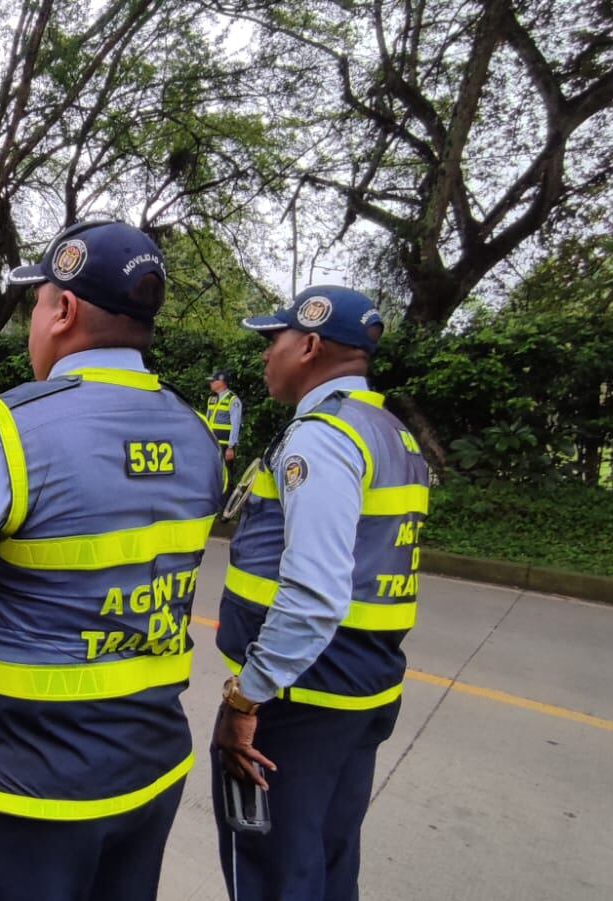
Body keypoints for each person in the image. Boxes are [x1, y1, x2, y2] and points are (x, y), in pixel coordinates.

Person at [0, 221, 224, 901]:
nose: (30, 325)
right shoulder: (197, 434)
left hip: (26, 795)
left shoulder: (6, 430)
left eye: (37, 302)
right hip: (149, 775)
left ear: (64, 310)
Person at [211, 286, 429, 901]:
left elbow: (312, 595)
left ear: (307, 346)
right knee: (328, 864)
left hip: (301, 695)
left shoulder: (323, 437)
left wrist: (245, 701)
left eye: (272, 341)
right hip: (363, 687)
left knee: (274, 872)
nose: (264, 356)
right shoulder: (390, 433)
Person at [206, 371, 242, 462]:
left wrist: (231, 447)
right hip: (211, 443)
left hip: (225, 446)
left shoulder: (233, 400)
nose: (210, 383)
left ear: (221, 382)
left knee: (226, 473)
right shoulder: (211, 399)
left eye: (213, 381)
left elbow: (235, 425)